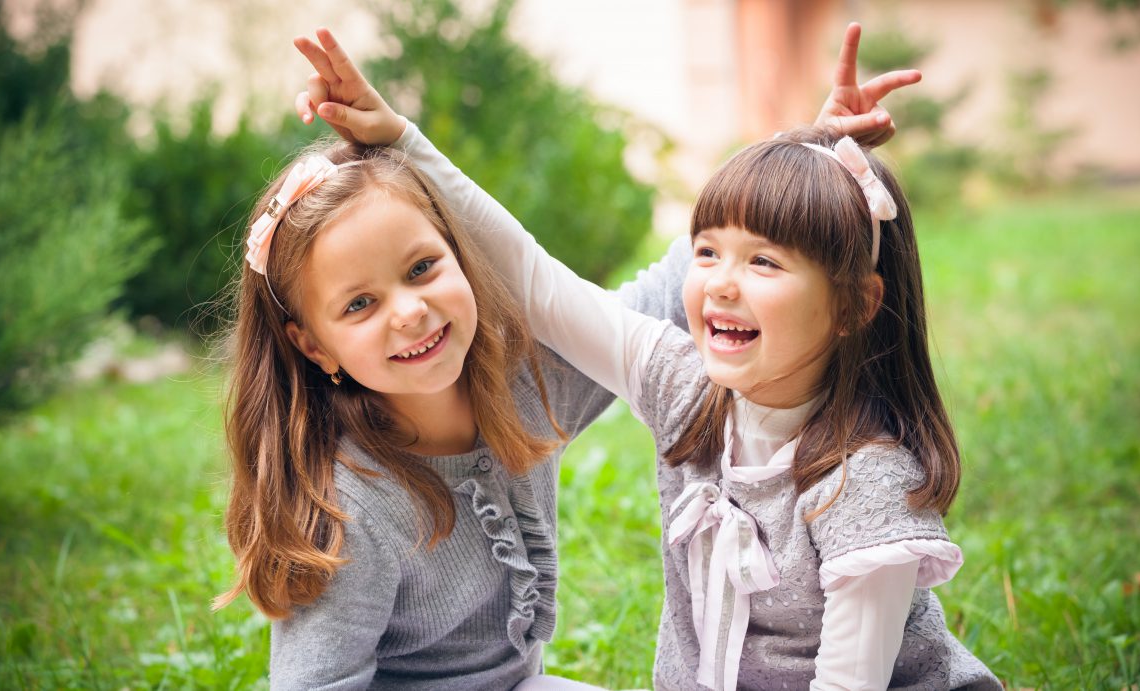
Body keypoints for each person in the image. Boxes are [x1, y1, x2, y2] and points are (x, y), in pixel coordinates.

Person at [223, 25, 919, 690]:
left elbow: (677, 279)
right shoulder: (351, 506)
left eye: (422, 267)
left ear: (463, 254)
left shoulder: (530, 390)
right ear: (313, 345)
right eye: (358, 305)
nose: (408, 311)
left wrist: (806, 159)